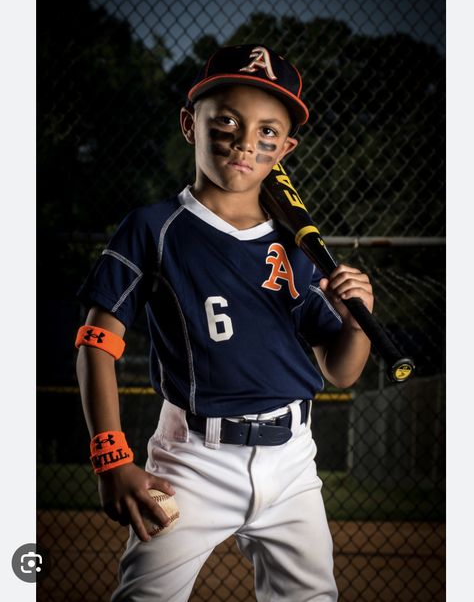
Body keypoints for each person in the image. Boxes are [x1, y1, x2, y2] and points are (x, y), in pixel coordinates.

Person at [76, 44, 374, 602]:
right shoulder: (155, 227)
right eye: (228, 121)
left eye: (267, 132)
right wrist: (110, 457)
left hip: (292, 461)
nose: (245, 142)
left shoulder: (296, 247)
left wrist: (357, 323)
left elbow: (338, 371)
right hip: (193, 458)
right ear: (191, 124)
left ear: (284, 149)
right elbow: (96, 342)